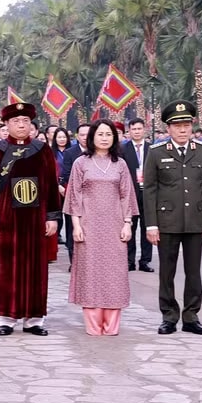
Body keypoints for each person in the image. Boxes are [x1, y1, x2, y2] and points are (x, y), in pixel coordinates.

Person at [0, 103, 61, 336]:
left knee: (36, 269)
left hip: (36, 220)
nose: (21, 124)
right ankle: (5, 319)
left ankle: (34, 320)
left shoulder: (42, 150)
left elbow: (51, 186)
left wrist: (52, 217)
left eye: (25, 120)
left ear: (32, 124)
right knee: (6, 268)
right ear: (6, 125)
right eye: (16, 121)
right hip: (6, 220)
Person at [143, 100, 202, 336]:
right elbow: (150, 190)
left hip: (195, 220)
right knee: (167, 271)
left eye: (186, 125)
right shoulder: (156, 153)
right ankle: (169, 315)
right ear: (168, 128)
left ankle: (191, 315)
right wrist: (151, 224)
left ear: (192, 126)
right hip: (167, 222)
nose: (183, 130)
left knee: (193, 271)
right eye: (177, 126)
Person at [63, 120, 139, 336]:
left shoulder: (120, 164)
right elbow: (74, 195)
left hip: (115, 226)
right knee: (91, 272)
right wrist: (76, 225)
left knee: (114, 273)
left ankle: (112, 324)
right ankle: (94, 324)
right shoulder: (81, 163)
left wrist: (127, 223)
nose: (104, 138)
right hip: (88, 225)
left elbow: (127, 195)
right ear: (92, 137)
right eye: (100, 134)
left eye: (109, 134)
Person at [121, 118, 154, 272]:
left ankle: (145, 261)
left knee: (148, 227)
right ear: (129, 131)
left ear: (144, 130)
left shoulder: (152, 149)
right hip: (130, 194)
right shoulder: (122, 149)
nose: (137, 132)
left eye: (139, 129)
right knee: (130, 228)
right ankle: (129, 260)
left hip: (149, 194)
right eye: (134, 129)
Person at [59, 124, 90, 270]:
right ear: (77, 136)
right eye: (82, 135)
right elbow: (65, 174)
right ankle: (74, 261)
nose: (85, 137)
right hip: (75, 197)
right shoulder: (70, 153)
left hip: (93, 200)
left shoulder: (98, 151)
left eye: (88, 134)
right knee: (73, 229)